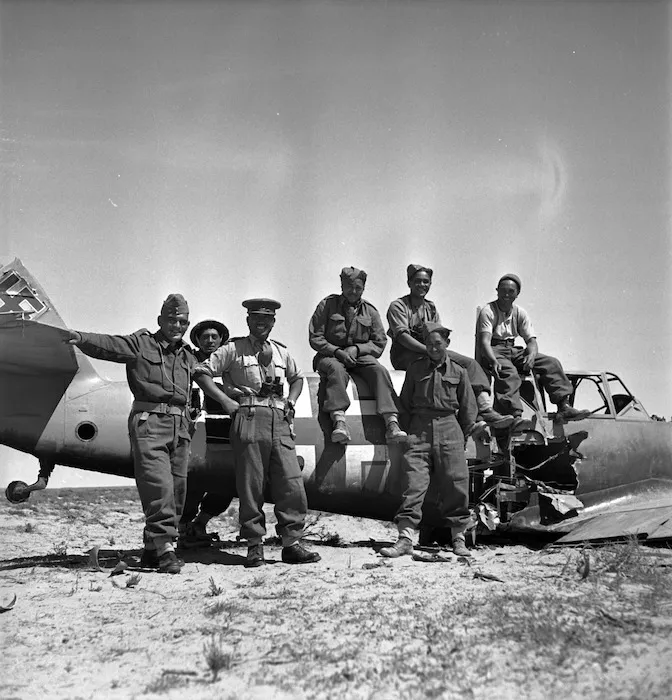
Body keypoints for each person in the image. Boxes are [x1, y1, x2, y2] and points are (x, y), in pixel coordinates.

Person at [65, 295, 237, 574]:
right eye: (172, 320)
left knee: (179, 491)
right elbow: (110, 345)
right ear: (160, 321)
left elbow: (211, 369)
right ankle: (166, 548)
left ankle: (150, 549)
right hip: (150, 423)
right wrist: (79, 337)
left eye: (182, 321)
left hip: (180, 427)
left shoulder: (188, 355)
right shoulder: (141, 343)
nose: (177, 326)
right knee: (159, 487)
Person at [194, 298, 320, 568]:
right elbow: (201, 372)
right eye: (257, 319)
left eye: (267, 319)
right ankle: (254, 545)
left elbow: (296, 378)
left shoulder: (281, 351)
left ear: (273, 322)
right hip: (249, 417)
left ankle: (292, 543)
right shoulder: (233, 349)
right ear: (248, 321)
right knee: (251, 484)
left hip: (280, 419)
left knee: (291, 483)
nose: (262, 324)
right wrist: (226, 401)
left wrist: (292, 401)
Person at [381, 323, 477, 559]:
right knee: (413, 484)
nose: (433, 348)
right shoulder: (415, 369)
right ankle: (404, 540)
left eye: (438, 344)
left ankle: (459, 540)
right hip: (419, 429)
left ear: (447, 344)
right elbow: (404, 402)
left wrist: (460, 439)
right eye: (429, 344)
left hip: (449, 429)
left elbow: (468, 410)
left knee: (456, 484)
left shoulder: (459, 372)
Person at [387, 264, 514, 431]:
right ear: (409, 283)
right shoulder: (398, 306)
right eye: (417, 281)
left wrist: (436, 350)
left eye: (426, 282)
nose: (422, 285)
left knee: (469, 364)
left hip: (431, 350)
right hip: (406, 355)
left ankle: (485, 409)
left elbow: (436, 334)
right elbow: (402, 337)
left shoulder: (430, 307)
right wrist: (430, 351)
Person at [309, 266, 407, 444]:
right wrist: (337, 351)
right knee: (336, 370)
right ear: (342, 285)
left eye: (358, 288)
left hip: (359, 357)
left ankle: (391, 421)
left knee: (379, 370)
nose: (353, 291)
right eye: (349, 287)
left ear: (363, 288)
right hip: (330, 355)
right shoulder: (327, 306)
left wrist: (357, 349)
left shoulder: (370, 311)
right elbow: (316, 337)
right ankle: (339, 421)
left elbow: (379, 342)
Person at [477, 274, 590, 423]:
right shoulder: (488, 311)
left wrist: (531, 355)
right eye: (503, 290)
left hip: (513, 349)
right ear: (497, 290)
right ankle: (514, 416)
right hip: (493, 349)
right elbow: (484, 342)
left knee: (551, 362)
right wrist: (493, 361)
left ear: (517, 294)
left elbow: (531, 341)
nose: (506, 294)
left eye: (511, 291)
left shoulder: (520, 313)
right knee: (508, 372)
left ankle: (564, 406)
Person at [179, 318, 235, 548]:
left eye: (214, 337)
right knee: (193, 482)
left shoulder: (230, 363)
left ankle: (201, 524)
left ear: (221, 340)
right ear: (198, 341)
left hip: (225, 430)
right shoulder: (188, 361)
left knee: (226, 483)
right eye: (205, 337)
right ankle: (183, 528)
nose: (210, 341)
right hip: (197, 430)